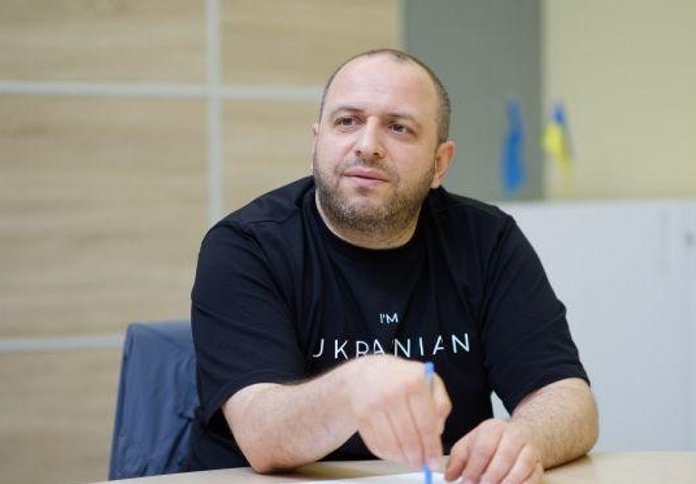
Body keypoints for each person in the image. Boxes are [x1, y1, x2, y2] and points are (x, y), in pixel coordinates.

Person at [184, 48, 599, 484]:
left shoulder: (487, 240)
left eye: (399, 127)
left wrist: (525, 437)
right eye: (347, 121)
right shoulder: (246, 246)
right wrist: (354, 387)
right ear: (316, 143)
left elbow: (568, 398)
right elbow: (262, 435)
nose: (367, 145)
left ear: (439, 164)